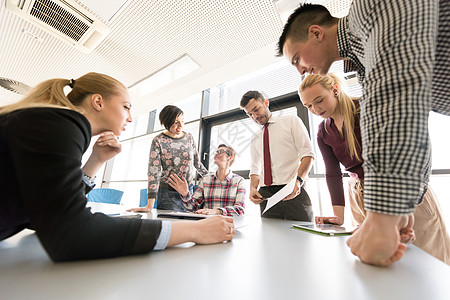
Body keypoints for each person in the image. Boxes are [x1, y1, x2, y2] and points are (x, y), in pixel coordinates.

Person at [277, 1, 449, 266]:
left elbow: (398, 103)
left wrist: (384, 215)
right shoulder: (366, 65)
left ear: (316, 33)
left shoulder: (369, 9)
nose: (299, 70)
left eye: (297, 59)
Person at [0, 72, 235, 262]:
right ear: (98, 101)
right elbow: (70, 234)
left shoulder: (56, 123)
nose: (131, 118)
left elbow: (41, 211)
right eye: (126, 107)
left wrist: (96, 161)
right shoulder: (60, 124)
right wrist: (194, 231)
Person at [299, 73, 450, 264]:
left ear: (335, 90)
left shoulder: (368, 109)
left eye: (319, 100)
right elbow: (333, 173)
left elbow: (409, 148)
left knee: (428, 259)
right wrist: (338, 216)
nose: (315, 109)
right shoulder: (324, 131)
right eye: (308, 106)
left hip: (401, 190)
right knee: (379, 264)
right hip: (359, 196)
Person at [240, 90, 315, 221]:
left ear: (266, 103)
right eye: (250, 114)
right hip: (266, 195)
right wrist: (252, 188)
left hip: (292, 190)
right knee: (270, 237)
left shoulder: (291, 121)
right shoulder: (255, 137)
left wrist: (298, 182)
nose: (254, 116)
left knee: (302, 237)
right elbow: (255, 167)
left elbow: (308, 154)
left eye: (256, 109)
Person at [127, 105, 208, 212]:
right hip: (168, 194)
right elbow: (154, 172)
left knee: (188, 225)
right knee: (171, 226)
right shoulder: (158, 141)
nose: (180, 126)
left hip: (189, 192)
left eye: (182, 121)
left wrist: (212, 179)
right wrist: (149, 205)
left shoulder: (189, 137)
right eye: (175, 122)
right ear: (166, 122)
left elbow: (197, 163)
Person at [169, 144, 246, 216]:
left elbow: (240, 210)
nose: (216, 154)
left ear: (230, 157)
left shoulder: (239, 181)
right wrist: (185, 194)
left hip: (227, 225)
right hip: (207, 223)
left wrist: (217, 211)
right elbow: (193, 208)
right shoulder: (205, 179)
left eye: (220, 152)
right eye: (215, 152)